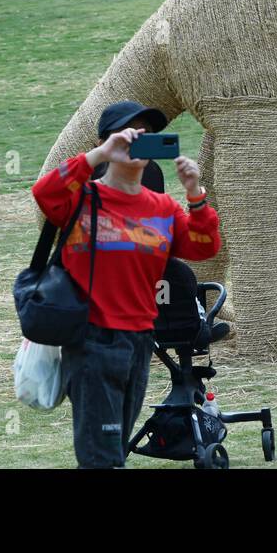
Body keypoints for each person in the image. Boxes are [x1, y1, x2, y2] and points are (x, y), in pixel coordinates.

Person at [31, 102, 221, 468]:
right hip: (91, 342)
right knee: (101, 457)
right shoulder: (82, 200)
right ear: (108, 141)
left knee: (114, 449)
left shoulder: (163, 207)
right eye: (129, 133)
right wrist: (97, 155)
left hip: (140, 342)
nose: (139, 141)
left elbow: (203, 246)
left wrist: (196, 195)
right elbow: (44, 193)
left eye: (146, 134)